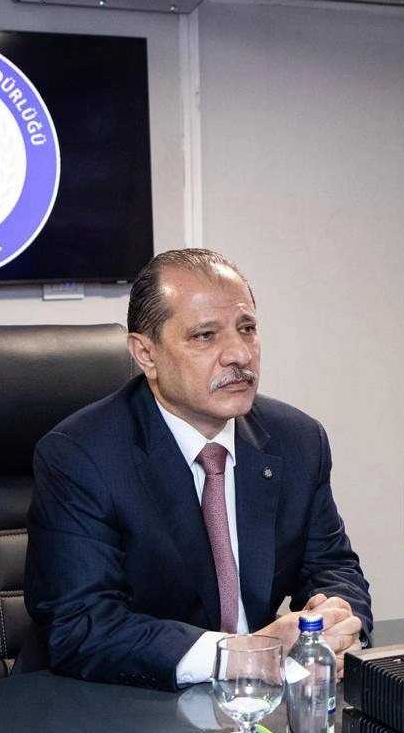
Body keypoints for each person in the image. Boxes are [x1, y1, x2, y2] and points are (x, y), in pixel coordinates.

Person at [22, 248, 370, 690]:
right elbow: (82, 624)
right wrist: (242, 654)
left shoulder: (297, 439)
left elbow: (332, 565)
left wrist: (335, 620)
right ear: (146, 354)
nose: (239, 354)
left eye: (247, 329)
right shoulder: (80, 456)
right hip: (122, 701)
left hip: (256, 700)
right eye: (205, 336)